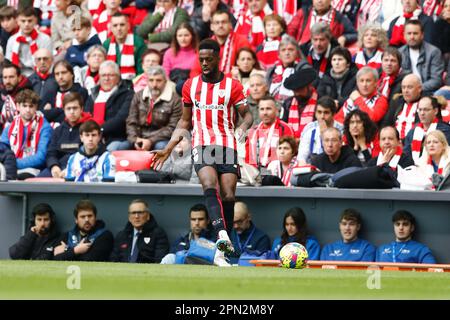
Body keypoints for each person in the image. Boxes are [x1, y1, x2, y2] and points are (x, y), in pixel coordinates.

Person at [151, 39, 253, 262]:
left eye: (209, 59)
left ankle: (221, 251)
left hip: (227, 143)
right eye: (201, 59)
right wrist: (168, 148)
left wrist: (243, 128)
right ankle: (222, 235)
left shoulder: (233, 86)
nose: (205, 63)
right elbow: (184, 121)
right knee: (209, 184)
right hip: (202, 143)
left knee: (228, 195)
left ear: (218, 58)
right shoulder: (190, 86)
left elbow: (247, 115)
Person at [126, 66, 182, 151]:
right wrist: (135, 139)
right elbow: (131, 121)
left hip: (161, 139)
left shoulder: (175, 100)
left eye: (158, 80)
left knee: (160, 147)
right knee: (116, 147)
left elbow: (172, 127)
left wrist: (151, 141)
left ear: (165, 81)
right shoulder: (138, 96)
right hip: (139, 137)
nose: (154, 85)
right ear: (147, 81)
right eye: (151, 80)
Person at [0, 89, 52, 179]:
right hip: (10, 168)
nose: (28, 110)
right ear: (17, 106)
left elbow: (41, 157)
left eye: (31, 106)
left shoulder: (44, 127)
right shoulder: (10, 127)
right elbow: (2, 149)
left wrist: (12, 163)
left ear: (36, 107)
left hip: (33, 170)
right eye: (24, 106)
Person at [84, 60, 134, 151]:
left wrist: (99, 130)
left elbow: (121, 119)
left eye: (111, 75)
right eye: (103, 75)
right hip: (93, 138)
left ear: (118, 77)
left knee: (108, 151)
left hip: (119, 138)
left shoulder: (128, 93)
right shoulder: (93, 94)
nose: (106, 79)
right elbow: (86, 115)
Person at [41, 92, 92, 178]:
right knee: (36, 182)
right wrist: (54, 166)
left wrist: (70, 168)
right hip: (58, 167)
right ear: (64, 110)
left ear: (81, 109)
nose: (72, 112)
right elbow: (51, 153)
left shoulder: (89, 128)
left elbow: (89, 153)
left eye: (75, 108)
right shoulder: (58, 130)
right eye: (68, 109)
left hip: (79, 168)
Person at [190, 10, 251, 77]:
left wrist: (223, 78)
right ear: (212, 27)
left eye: (224, 22)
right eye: (217, 23)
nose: (220, 25)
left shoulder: (241, 41)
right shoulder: (205, 45)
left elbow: (245, 67)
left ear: (230, 25)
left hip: (234, 82)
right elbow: (195, 71)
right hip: (208, 83)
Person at [110, 199, 170, 263]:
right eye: (133, 213)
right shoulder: (122, 235)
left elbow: (159, 260)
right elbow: (113, 259)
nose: (136, 216)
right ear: (129, 217)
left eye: (140, 213)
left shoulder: (158, 234)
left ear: (148, 216)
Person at [245, 95, 294, 168]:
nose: (265, 112)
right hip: (255, 174)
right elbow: (248, 159)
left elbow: (291, 154)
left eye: (268, 109)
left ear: (276, 110)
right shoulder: (253, 132)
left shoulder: (285, 128)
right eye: (262, 109)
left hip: (277, 172)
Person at [398, 19, 444, 95]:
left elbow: (436, 80)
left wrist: (416, 89)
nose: (412, 37)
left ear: (422, 35)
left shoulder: (434, 52)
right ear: (404, 35)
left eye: (415, 33)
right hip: (405, 92)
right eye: (409, 33)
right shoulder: (400, 52)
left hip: (427, 91)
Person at [5, 7, 52, 77]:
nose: (26, 24)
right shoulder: (12, 40)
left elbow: (48, 64)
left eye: (30, 21)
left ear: (35, 21)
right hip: (17, 76)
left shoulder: (45, 39)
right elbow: (8, 64)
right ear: (17, 21)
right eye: (23, 21)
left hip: (39, 75)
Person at [287, 0, 357, 47]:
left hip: (328, 57)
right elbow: (290, 32)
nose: (319, 1)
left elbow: (355, 34)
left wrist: (344, 38)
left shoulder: (339, 17)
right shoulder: (303, 13)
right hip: (303, 54)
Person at [403, 96, 450, 164]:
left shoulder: (445, 131)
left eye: (426, 110)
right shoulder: (412, 132)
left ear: (435, 111)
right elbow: (406, 156)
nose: (422, 113)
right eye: (420, 109)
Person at [41, 60, 89, 125]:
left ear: (72, 74)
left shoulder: (80, 92)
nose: (60, 77)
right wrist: (60, 111)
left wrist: (51, 112)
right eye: (57, 74)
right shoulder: (50, 94)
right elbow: (41, 115)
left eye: (64, 73)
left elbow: (72, 116)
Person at [298, 96, 344, 164]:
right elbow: (302, 156)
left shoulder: (341, 129)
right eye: (319, 112)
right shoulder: (309, 128)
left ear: (333, 114)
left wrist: (324, 135)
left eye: (326, 112)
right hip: (312, 167)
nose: (322, 116)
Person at [103, 12, 147, 81]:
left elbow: (141, 71)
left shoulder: (138, 42)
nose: (119, 28)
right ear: (111, 28)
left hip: (134, 84)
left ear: (128, 26)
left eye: (122, 25)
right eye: (115, 25)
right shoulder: (107, 44)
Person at [280, 66, 318, 139]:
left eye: (300, 90)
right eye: (295, 91)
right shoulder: (288, 103)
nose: (297, 94)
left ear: (309, 86)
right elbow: (283, 125)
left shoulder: (320, 102)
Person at [381, 74, 423, 140]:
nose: (406, 91)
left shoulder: (426, 103)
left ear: (419, 88)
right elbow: (386, 124)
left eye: (410, 87)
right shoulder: (396, 102)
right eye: (403, 87)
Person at [267, 34, 303, 104]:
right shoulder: (272, 71)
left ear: (297, 52)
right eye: (283, 50)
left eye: (291, 50)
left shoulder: (302, 69)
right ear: (279, 55)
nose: (287, 53)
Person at [0, 61, 32, 129]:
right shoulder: (1, 90)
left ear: (19, 78)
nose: (8, 81)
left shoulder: (28, 93)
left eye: (11, 77)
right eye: (5, 77)